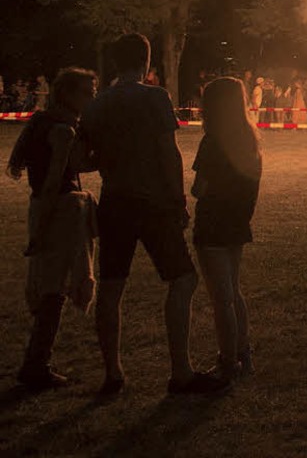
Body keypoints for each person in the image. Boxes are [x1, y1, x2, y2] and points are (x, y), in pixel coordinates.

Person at [81, 32, 224, 396]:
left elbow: (81, 158)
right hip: (152, 203)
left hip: (114, 201)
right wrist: (178, 200)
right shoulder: (155, 98)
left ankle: (112, 373)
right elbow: (168, 151)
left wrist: (109, 159)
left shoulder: (98, 103)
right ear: (146, 63)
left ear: (115, 63)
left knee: (112, 288)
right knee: (183, 279)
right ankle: (181, 372)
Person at [8, 67, 98, 390]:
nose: (93, 98)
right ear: (69, 95)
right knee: (53, 292)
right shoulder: (63, 131)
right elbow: (54, 179)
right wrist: (42, 226)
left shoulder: (45, 123)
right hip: (58, 209)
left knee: (51, 288)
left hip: (49, 207)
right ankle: (36, 364)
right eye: (88, 92)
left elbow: (73, 167)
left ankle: (36, 361)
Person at [192, 77, 262, 385]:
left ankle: (228, 361)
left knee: (221, 299)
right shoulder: (250, 139)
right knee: (234, 291)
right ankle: (243, 353)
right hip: (237, 223)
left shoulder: (213, 142)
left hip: (213, 224)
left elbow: (199, 188)